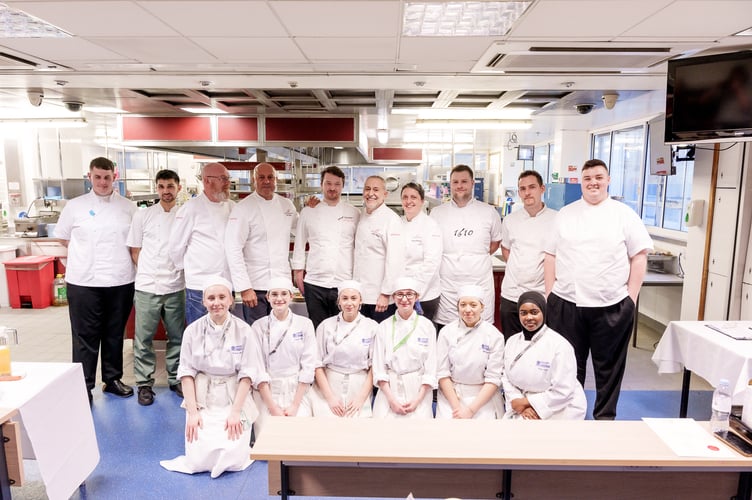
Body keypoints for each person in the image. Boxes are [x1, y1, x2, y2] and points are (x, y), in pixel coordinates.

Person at [544, 159, 652, 420]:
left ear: (608, 180)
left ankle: (604, 419)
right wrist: (549, 295)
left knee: (609, 368)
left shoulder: (624, 214)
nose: (593, 182)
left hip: (612, 304)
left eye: (598, 177)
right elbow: (550, 255)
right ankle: (570, 415)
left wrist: (631, 299)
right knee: (569, 366)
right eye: (588, 178)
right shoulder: (565, 214)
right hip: (567, 303)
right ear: (581, 181)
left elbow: (639, 256)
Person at [160, 276, 260, 478]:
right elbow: (187, 372)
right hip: (203, 397)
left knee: (234, 457)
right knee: (198, 458)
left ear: (231, 300)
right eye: (211, 298)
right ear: (203, 301)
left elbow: (247, 375)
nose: (217, 303)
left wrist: (235, 412)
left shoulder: (244, 330)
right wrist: (193, 411)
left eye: (222, 297)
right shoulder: (192, 330)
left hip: (233, 397)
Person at [54, 156, 136, 403]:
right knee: (84, 336)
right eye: (97, 177)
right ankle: (83, 385)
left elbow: (135, 243)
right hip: (84, 281)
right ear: (89, 177)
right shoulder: (75, 206)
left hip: (120, 279)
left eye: (107, 177)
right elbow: (62, 238)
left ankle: (112, 380)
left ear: (115, 177)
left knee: (114, 333)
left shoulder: (128, 208)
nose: (102, 182)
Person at [127, 169, 186, 405]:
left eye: (170, 186)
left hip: (175, 285)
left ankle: (176, 378)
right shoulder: (143, 216)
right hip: (147, 286)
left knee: (177, 337)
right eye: (161, 187)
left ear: (178, 188)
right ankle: (144, 383)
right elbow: (135, 249)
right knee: (143, 339)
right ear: (157, 188)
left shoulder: (184, 215)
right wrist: (149, 271)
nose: (166, 191)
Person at [225, 162, 298, 325]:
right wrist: (244, 287)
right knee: (256, 334)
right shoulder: (243, 208)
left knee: (282, 330)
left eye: (270, 177)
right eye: (261, 177)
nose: (266, 181)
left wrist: (312, 211)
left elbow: (301, 229)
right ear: (254, 180)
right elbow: (233, 248)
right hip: (255, 286)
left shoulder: (287, 206)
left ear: (276, 180)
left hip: (281, 284)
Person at [430, 165, 502, 329]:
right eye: (455, 182)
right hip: (447, 289)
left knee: (480, 336)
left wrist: (473, 257)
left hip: (479, 284)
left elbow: (495, 243)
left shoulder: (489, 212)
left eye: (464, 181)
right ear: (450, 184)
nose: (459, 185)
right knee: (447, 335)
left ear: (472, 183)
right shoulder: (437, 213)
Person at [291, 166, 360, 328]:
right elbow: (299, 244)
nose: (332, 188)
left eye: (337, 184)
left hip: (344, 282)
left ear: (343, 186)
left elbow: (360, 247)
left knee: (343, 328)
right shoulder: (309, 211)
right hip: (315, 283)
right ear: (321, 184)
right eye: (328, 183)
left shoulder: (354, 213)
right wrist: (298, 272)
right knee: (319, 329)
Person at [501, 291, 587, 420]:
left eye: (534, 312)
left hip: (558, 407)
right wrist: (517, 401)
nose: (529, 317)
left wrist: (528, 403)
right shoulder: (511, 342)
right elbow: (506, 377)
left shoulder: (560, 345)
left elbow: (563, 390)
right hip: (521, 405)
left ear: (544, 312)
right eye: (523, 313)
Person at [251, 277, 317, 436]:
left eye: (283, 294)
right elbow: (257, 368)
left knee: (299, 437)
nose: (279, 299)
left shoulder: (305, 324)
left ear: (291, 296)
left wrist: (295, 405)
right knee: (268, 439)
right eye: (274, 294)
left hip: (297, 390)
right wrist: (272, 407)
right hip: (268, 390)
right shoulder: (258, 326)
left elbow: (308, 366)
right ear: (267, 297)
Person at [169, 162, 234, 325]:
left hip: (226, 283)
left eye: (227, 178)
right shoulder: (190, 209)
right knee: (199, 333)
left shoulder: (232, 207)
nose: (227, 183)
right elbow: (176, 247)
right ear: (207, 181)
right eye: (223, 179)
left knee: (225, 332)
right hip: (200, 286)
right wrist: (192, 270)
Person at [499, 170, 557, 339]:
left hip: (542, 295)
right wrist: (519, 270)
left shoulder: (557, 219)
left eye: (532, 187)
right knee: (511, 342)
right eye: (522, 189)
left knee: (541, 345)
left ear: (542, 189)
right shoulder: (510, 220)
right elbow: (506, 249)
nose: (527, 192)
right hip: (512, 295)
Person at [310, 280, 379, 418]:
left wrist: (361, 399)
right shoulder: (325, 326)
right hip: (328, 384)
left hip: (359, 385)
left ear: (361, 301)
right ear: (338, 302)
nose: (349, 303)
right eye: (344, 298)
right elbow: (317, 364)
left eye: (354, 298)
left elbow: (375, 367)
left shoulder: (372, 327)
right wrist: (330, 398)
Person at [436, 285, 504, 419]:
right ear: (458, 307)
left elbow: (493, 378)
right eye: (463, 305)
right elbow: (442, 373)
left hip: (483, 398)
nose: (468, 310)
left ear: (482, 307)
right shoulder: (446, 332)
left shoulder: (494, 335)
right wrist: (457, 408)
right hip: (451, 396)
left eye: (473, 305)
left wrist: (470, 410)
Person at [372, 277, 437, 419]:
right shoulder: (384, 326)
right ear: (393, 297)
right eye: (400, 294)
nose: (404, 299)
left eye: (409, 294)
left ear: (417, 297)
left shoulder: (426, 326)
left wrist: (417, 400)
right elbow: (378, 368)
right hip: (389, 390)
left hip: (418, 389)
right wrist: (392, 400)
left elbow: (431, 368)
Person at [353, 175, 404, 322]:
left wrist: (386, 294)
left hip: (380, 299)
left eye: (376, 189)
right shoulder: (362, 215)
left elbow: (395, 260)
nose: (371, 193)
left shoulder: (391, 220)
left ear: (385, 194)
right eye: (367, 189)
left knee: (381, 341)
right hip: (361, 295)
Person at [400, 182, 442, 322]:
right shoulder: (398, 223)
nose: (408, 201)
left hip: (423, 295)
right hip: (402, 294)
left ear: (422, 201)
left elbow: (431, 263)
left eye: (413, 197)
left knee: (420, 338)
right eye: (405, 197)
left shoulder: (430, 225)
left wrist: (415, 292)